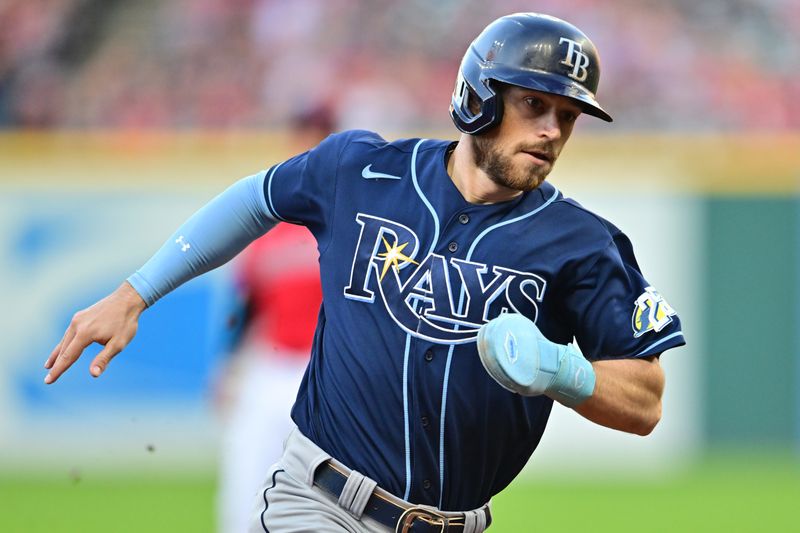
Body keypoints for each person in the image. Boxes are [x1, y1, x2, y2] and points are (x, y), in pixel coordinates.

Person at [44, 13, 685, 532]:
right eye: (533, 105)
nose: (551, 131)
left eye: (567, 117)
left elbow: (646, 398)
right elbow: (254, 200)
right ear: (479, 98)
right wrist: (135, 293)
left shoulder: (583, 243)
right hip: (321, 504)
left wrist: (558, 369)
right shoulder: (362, 172)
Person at [214, 105, 332, 533]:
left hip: (323, 375)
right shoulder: (267, 224)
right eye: (302, 135)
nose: (306, 146)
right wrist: (228, 366)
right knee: (243, 486)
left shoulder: (348, 224)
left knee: (324, 500)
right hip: (270, 367)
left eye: (316, 137)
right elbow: (245, 308)